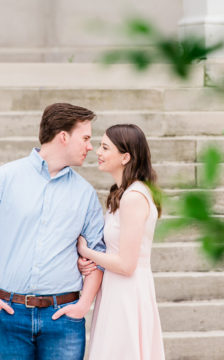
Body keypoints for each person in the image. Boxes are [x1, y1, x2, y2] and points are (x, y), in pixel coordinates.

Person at [0, 103, 106, 360]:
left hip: (63, 321)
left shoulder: (85, 194)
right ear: (63, 137)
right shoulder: (6, 177)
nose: (90, 147)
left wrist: (83, 306)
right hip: (8, 318)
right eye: (85, 138)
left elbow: (99, 253)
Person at [77, 124, 165, 360]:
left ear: (125, 156)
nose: (98, 151)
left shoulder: (134, 197)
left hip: (127, 292)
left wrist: (86, 251)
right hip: (117, 289)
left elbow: (127, 264)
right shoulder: (123, 192)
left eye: (105, 147)